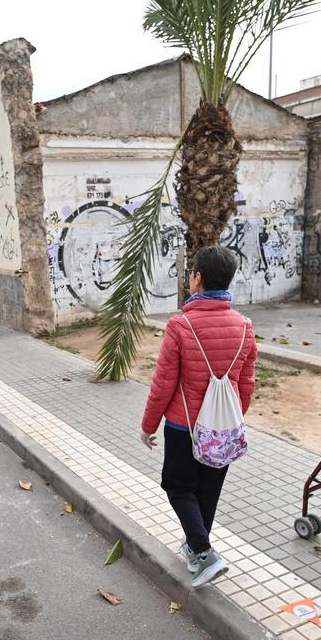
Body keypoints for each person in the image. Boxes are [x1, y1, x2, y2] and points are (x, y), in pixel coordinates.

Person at [140, 245, 257, 589]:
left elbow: (163, 384)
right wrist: (230, 418)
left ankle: (205, 553)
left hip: (183, 427)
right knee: (208, 491)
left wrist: (148, 426)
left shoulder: (181, 325)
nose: (189, 277)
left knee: (177, 486)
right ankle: (194, 547)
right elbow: (247, 383)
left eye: (191, 272)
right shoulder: (245, 326)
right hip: (223, 428)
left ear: (198, 278)